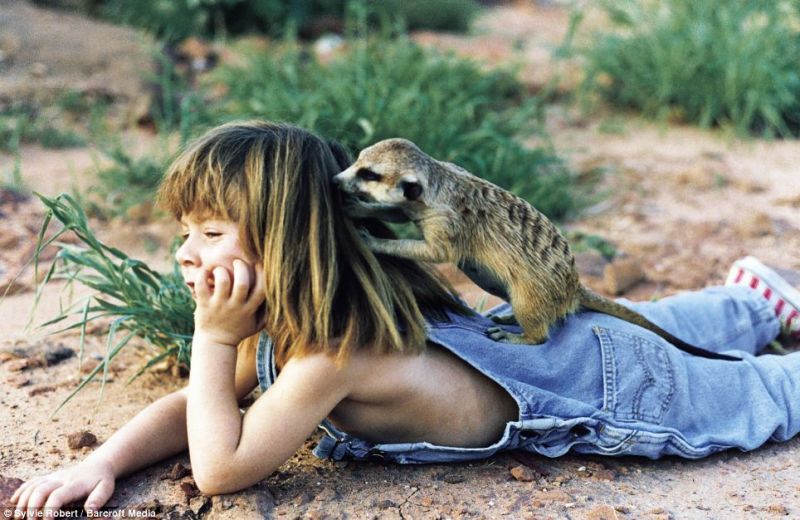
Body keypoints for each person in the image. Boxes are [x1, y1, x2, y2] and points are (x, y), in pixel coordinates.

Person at [10, 121, 800, 515]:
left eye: (211, 234)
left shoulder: (334, 354)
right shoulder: (326, 307)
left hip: (616, 392)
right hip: (569, 342)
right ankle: (749, 302)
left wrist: (214, 338)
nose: (186, 254)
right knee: (642, 321)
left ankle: (759, 330)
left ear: (287, 243)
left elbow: (221, 468)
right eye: (185, 233)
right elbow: (194, 410)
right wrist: (104, 461)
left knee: (765, 397)